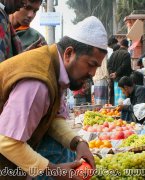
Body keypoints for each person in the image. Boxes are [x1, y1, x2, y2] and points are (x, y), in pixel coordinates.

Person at [0, 16, 108, 179]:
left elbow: (53, 119)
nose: (93, 74)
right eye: (91, 64)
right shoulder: (38, 83)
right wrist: (54, 170)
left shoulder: (57, 71)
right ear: (69, 53)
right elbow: (8, 141)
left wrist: (78, 142)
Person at [108, 39, 132, 106]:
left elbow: (109, 65)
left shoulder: (113, 54)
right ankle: (123, 115)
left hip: (116, 82)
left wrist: (112, 74)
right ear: (127, 46)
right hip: (124, 82)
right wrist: (116, 73)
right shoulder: (127, 54)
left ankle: (117, 114)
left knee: (117, 101)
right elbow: (125, 66)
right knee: (124, 101)